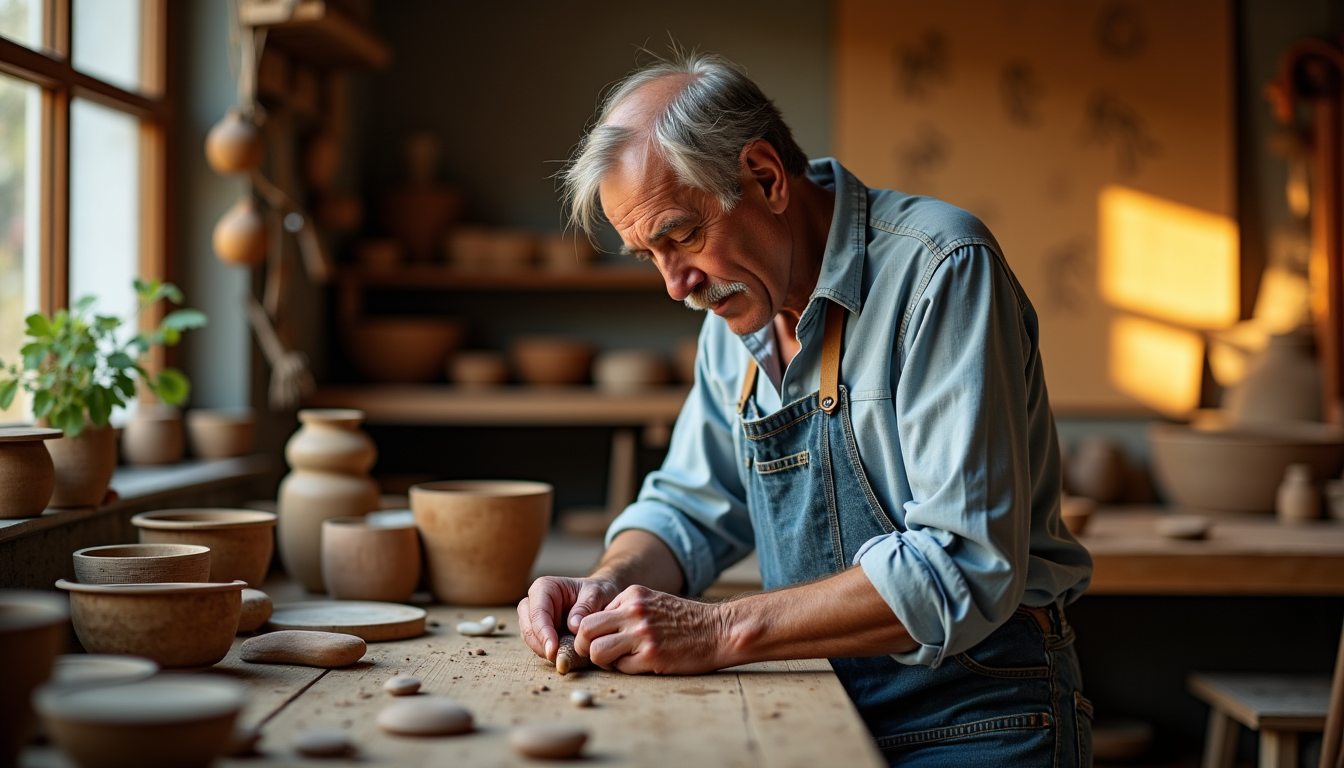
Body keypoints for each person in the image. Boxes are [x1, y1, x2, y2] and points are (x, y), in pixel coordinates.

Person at [517, 49, 1094, 766]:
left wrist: (721, 630)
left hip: (978, 714)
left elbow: (963, 563)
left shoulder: (941, 269)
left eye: (681, 237)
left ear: (764, 177)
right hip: (815, 703)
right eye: (649, 256)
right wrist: (608, 583)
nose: (675, 284)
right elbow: (692, 508)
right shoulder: (737, 306)